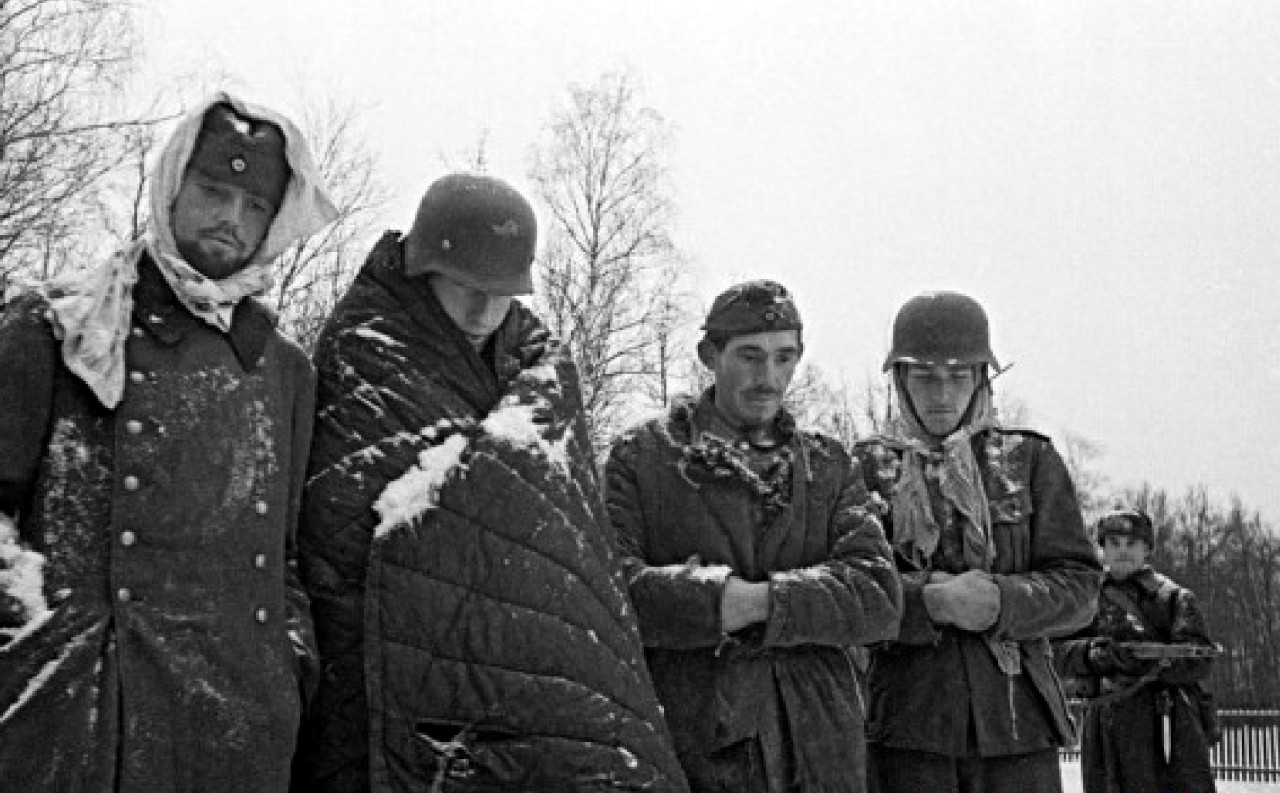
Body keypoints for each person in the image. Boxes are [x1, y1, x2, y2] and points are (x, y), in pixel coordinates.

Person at [292, 172, 689, 792]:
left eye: (501, 292)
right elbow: (335, 532)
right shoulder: (364, 352)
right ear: (422, 269)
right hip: (380, 673)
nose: (482, 310)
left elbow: (573, 548)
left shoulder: (543, 370)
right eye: (465, 286)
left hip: (518, 675)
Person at [0, 92, 338, 791]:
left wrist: (286, 663)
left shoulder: (284, 370)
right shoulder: (61, 325)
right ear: (173, 186)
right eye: (214, 191)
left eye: (253, 206)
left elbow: (285, 555)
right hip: (78, 717)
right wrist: (31, 633)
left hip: (232, 724)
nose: (231, 219)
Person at [604, 279, 903, 793]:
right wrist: (714, 602)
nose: (769, 377)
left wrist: (761, 602)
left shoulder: (829, 465)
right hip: (693, 741)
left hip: (820, 746)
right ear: (709, 355)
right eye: (749, 356)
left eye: (784, 358)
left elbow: (877, 596)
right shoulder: (644, 458)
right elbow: (612, 590)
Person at [852, 290, 1103, 793]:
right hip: (904, 728)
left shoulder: (1028, 461)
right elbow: (850, 597)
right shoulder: (864, 470)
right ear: (901, 381)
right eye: (925, 377)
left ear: (981, 380)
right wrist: (931, 603)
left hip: (1017, 727)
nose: (942, 394)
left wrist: (1001, 602)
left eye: (958, 376)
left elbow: (1080, 591)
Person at [1056, 508, 1219, 793]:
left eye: (1132, 544)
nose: (1123, 552)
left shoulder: (1172, 598)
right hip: (1102, 720)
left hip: (1163, 721)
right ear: (1103, 549)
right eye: (1114, 544)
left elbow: (1200, 659)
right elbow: (1056, 654)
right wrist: (1094, 654)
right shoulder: (1086, 600)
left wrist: (1149, 663)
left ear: (1147, 549)